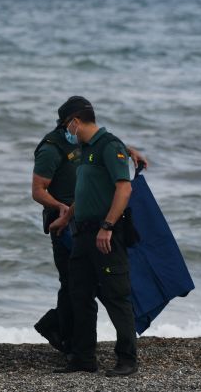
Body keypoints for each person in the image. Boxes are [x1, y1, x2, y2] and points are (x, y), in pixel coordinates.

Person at [32, 100, 147, 356]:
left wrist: (107, 225)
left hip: (104, 230)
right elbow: (76, 194)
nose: (66, 130)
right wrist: (64, 216)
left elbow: (123, 187)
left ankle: (126, 357)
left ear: (74, 121)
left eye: (67, 125)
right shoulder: (68, 148)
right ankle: (81, 355)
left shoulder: (103, 146)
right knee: (78, 290)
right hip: (76, 230)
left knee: (115, 294)